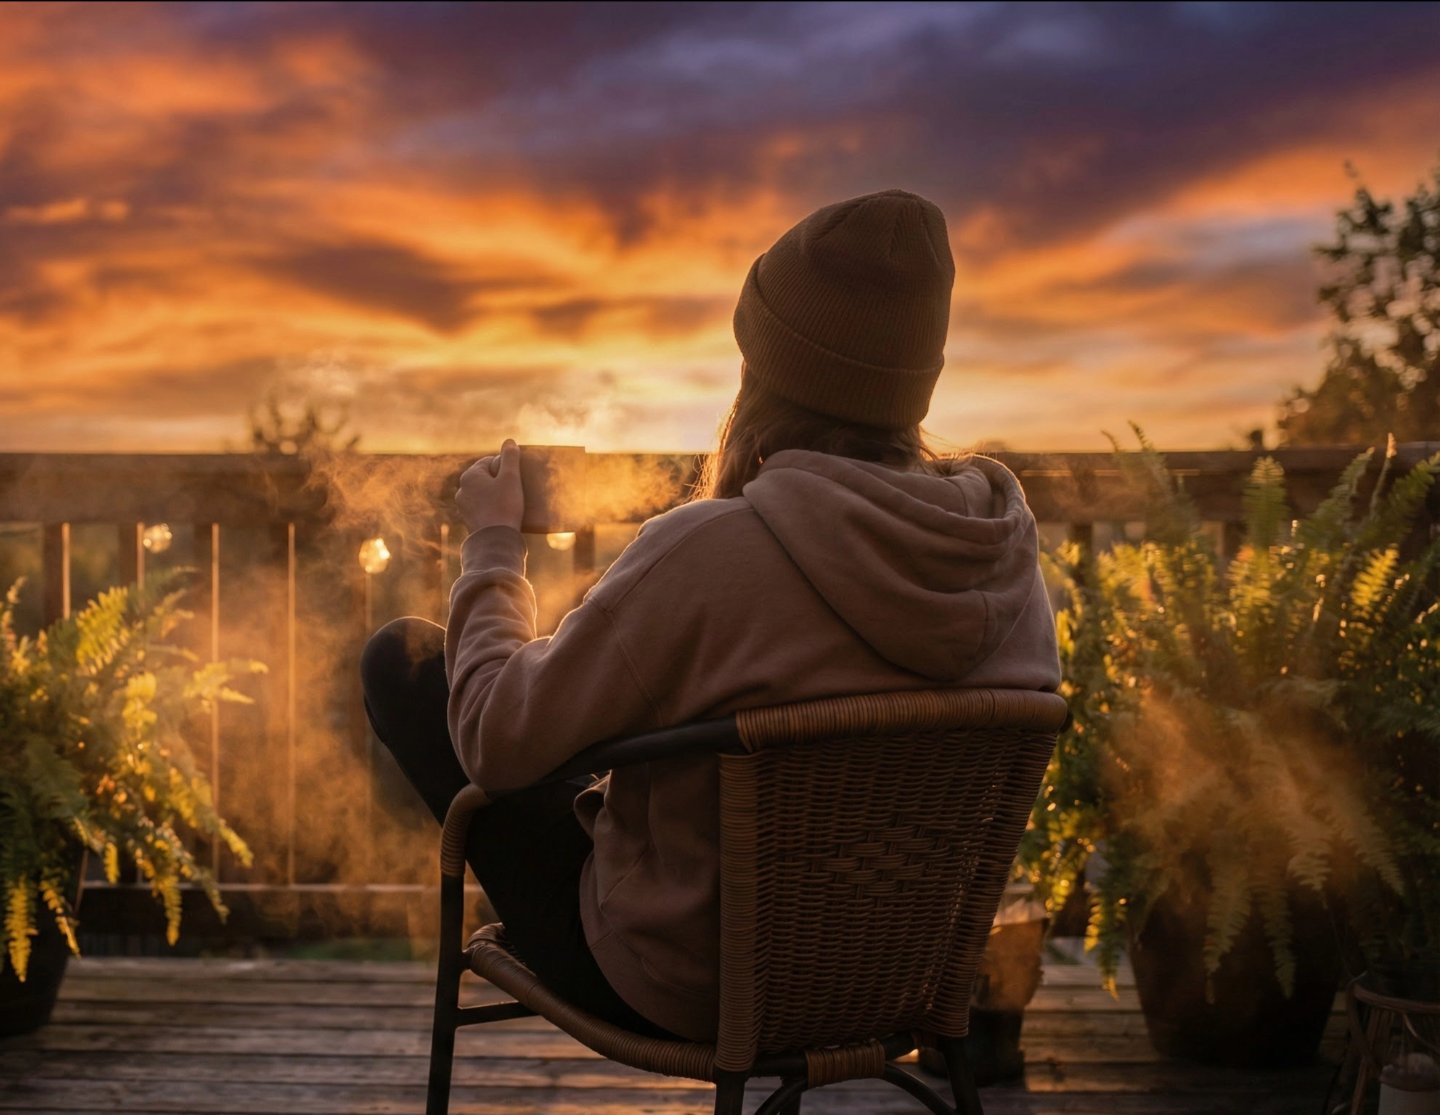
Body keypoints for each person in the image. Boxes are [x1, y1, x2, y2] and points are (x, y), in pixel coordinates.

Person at [360, 189, 1062, 1043]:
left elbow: (495, 740)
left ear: (765, 368)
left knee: (403, 659)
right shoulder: (1005, 557)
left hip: (691, 985)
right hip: (903, 983)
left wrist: (495, 546)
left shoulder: (709, 550)